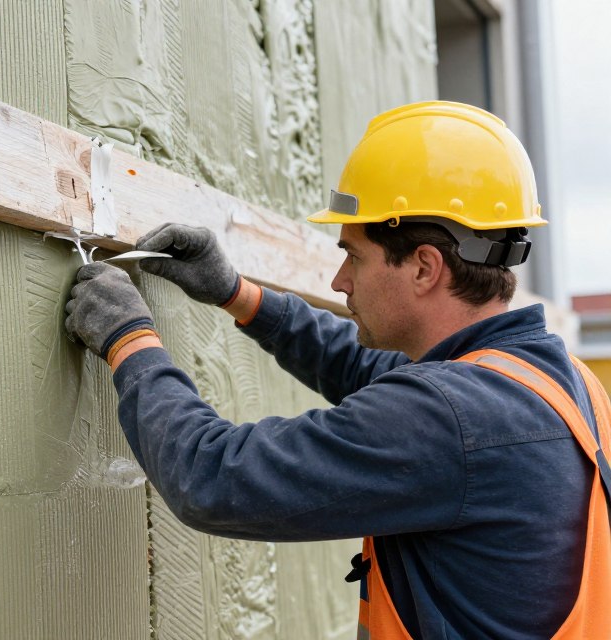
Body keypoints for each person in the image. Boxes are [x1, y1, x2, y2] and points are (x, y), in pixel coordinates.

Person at [64, 101, 611, 639]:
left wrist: (128, 338)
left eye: (354, 255)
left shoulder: (453, 418)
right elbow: (364, 366)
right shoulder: (560, 384)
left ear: (424, 267)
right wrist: (239, 294)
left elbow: (214, 479)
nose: (338, 281)